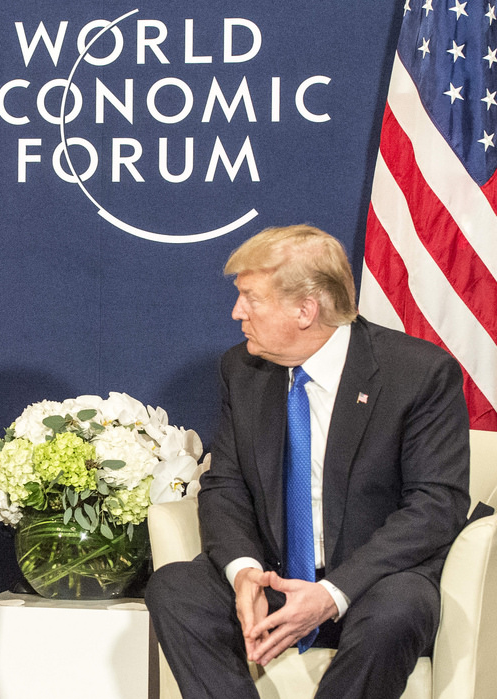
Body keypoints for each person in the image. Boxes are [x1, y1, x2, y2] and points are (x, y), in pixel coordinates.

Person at [146, 225, 470, 699]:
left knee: (396, 612)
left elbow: (436, 505)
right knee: (175, 588)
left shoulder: (418, 373)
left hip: (373, 581)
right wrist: (244, 574)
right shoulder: (242, 369)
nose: (237, 313)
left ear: (306, 309)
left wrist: (331, 593)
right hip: (277, 574)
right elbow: (226, 486)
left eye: (250, 298)